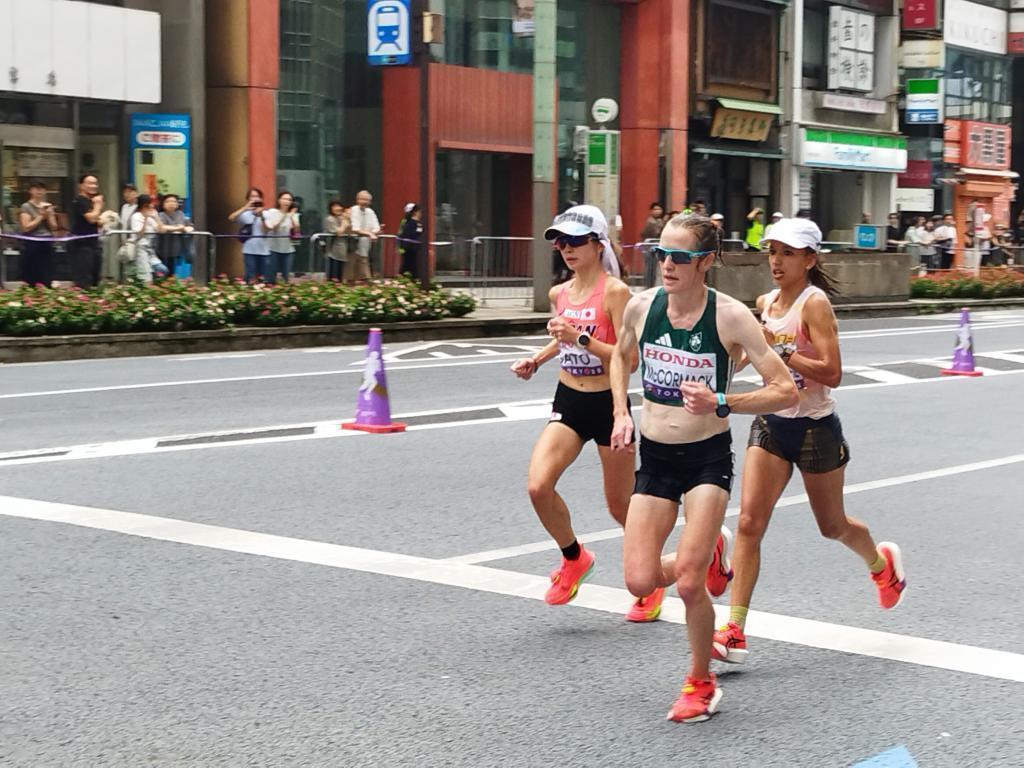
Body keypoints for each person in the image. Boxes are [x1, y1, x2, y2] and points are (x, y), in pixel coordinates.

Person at [609, 214, 799, 723]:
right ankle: (709, 550)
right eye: (661, 254)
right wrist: (620, 411)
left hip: (705, 459)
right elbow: (620, 357)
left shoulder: (731, 317)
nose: (668, 265)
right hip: (655, 457)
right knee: (639, 581)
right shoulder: (641, 307)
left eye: (681, 257)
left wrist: (722, 401)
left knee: (690, 584)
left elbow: (785, 390)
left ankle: (700, 681)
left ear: (706, 262)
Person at [711, 217, 907, 669]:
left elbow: (833, 372)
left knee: (832, 525)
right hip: (772, 423)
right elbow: (752, 353)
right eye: (773, 252)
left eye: (788, 253)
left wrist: (781, 350)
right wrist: (722, 370)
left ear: (810, 260)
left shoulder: (814, 304)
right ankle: (734, 628)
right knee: (749, 523)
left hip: (815, 427)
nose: (777, 261)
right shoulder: (765, 302)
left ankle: (882, 567)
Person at [509, 204, 663, 620]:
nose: (567, 249)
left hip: (609, 404)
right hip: (569, 401)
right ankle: (574, 557)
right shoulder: (559, 294)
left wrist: (580, 339)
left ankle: (651, 578)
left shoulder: (615, 293)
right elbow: (562, 337)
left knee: (622, 507)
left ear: (598, 245)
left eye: (576, 241)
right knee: (538, 486)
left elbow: (629, 360)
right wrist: (537, 359)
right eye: (560, 242)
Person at [18, 180, 58, 288]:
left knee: (47, 271)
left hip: (47, 241)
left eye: (42, 189)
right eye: (36, 188)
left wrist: (49, 215)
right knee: (32, 272)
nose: (39, 191)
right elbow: (26, 227)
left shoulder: (48, 206)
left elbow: (54, 227)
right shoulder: (26, 206)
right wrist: (40, 216)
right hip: (32, 241)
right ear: (30, 190)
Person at [69, 173, 104, 287]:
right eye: (90, 183)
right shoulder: (80, 200)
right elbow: (91, 219)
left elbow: (96, 221)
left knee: (95, 278)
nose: (93, 186)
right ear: (81, 186)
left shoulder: (90, 201)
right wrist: (98, 205)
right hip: (82, 245)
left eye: (95, 183)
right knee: (84, 278)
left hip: (94, 243)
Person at [229, 188, 271, 282]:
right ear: (248, 199)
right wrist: (245, 207)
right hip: (249, 250)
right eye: (252, 196)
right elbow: (231, 218)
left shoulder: (267, 214)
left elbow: (266, 231)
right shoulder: (245, 214)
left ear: (261, 198)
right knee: (250, 278)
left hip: (264, 251)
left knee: (263, 279)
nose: (255, 198)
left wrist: (261, 216)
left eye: (257, 196)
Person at [128, 194, 165, 283]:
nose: (152, 206)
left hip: (151, 249)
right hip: (141, 247)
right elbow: (140, 234)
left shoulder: (153, 214)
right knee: (146, 277)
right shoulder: (136, 216)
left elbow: (162, 230)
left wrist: (156, 218)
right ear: (144, 205)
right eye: (150, 204)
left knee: (162, 270)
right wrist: (145, 218)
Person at [264, 190, 298, 284]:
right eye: (285, 199)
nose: (287, 201)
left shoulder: (293, 214)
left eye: (289, 200)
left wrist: (291, 217)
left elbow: (296, 231)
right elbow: (274, 228)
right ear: (279, 200)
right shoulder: (272, 212)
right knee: (271, 276)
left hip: (288, 249)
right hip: (273, 248)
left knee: (286, 277)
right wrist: (284, 215)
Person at [157, 194, 193, 278]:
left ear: (177, 204)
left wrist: (184, 228)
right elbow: (162, 228)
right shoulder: (161, 215)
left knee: (172, 271)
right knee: (162, 271)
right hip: (162, 248)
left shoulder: (180, 214)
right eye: (168, 201)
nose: (171, 203)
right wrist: (179, 228)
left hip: (176, 248)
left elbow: (189, 227)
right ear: (163, 204)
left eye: (174, 201)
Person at [349, 189, 380, 281]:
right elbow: (355, 228)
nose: (365, 202)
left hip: (366, 244)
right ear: (357, 200)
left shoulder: (370, 212)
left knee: (364, 263)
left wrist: (371, 233)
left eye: (367, 200)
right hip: (352, 245)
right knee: (351, 269)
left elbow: (376, 227)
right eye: (362, 199)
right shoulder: (353, 210)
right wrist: (369, 233)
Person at [323, 200, 351, 282]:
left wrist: (348, 219)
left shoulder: (342, 218)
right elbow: (339, 232)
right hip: (332, 252)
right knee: (333, 277)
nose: (338, 208)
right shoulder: (329, 219)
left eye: (339, 206)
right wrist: (344, 222)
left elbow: (349, 232)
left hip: (343, 250)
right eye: (335, 206)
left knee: (340, 276)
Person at [399, 203, 424, 278]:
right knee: (408, 267)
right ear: (415, 212)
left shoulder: (419, 223)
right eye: (419, 211)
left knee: (414, 268)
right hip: (409, 249)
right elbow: (406, 235)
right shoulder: (409, 223)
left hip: (417, 249)